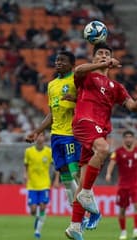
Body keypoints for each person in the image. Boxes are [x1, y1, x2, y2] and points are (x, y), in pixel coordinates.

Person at [64, 42, 137, 240]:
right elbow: (78, 69)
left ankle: (75, 226)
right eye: (100, 54)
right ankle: (87, 193)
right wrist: (98, 65)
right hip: (85, 121)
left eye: (107, 53)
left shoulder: (116, 87)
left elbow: (132, 107)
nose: (104, 56)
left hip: (100, 129)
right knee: (104, 149)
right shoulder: (87, 76)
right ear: (94, 58)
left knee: (84, 178)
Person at [25, 51, 100, 230]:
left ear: (72, 64)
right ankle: (79, 215)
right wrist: (36, 131)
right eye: (57, 60)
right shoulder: (51, 85)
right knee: (66, 178)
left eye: (63, 61)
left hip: (72, 134)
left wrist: (75, 99)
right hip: (56, 136)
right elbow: (52, 113)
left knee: (76, 174)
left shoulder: (76, 80)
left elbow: (88, 101)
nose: (58, 63)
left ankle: (94, 210)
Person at [106, 130, 137, 240]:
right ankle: (123, 232)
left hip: (135, 184)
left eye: (130, 137)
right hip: (123, 185)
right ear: (123, 139)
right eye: (126, 137)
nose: (128, 139)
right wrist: (108, 173)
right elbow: (112, 163)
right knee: (122, 209)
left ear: (133, 139)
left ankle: (136, 231)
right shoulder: (118, 151)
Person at [24, 132, 56, 239]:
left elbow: (57, 166)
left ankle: (38, 231)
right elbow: (26, 165)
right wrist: (25, 175)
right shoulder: (29, 151)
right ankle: (37, 217)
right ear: (35, 138)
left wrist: (56, 180)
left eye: (42, 135)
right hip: (32, 185)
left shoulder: (49, 152)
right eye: (38, 136)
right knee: (33, 210)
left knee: (42, 207)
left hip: (44, 184)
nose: (40, 138)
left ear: (44, 138)